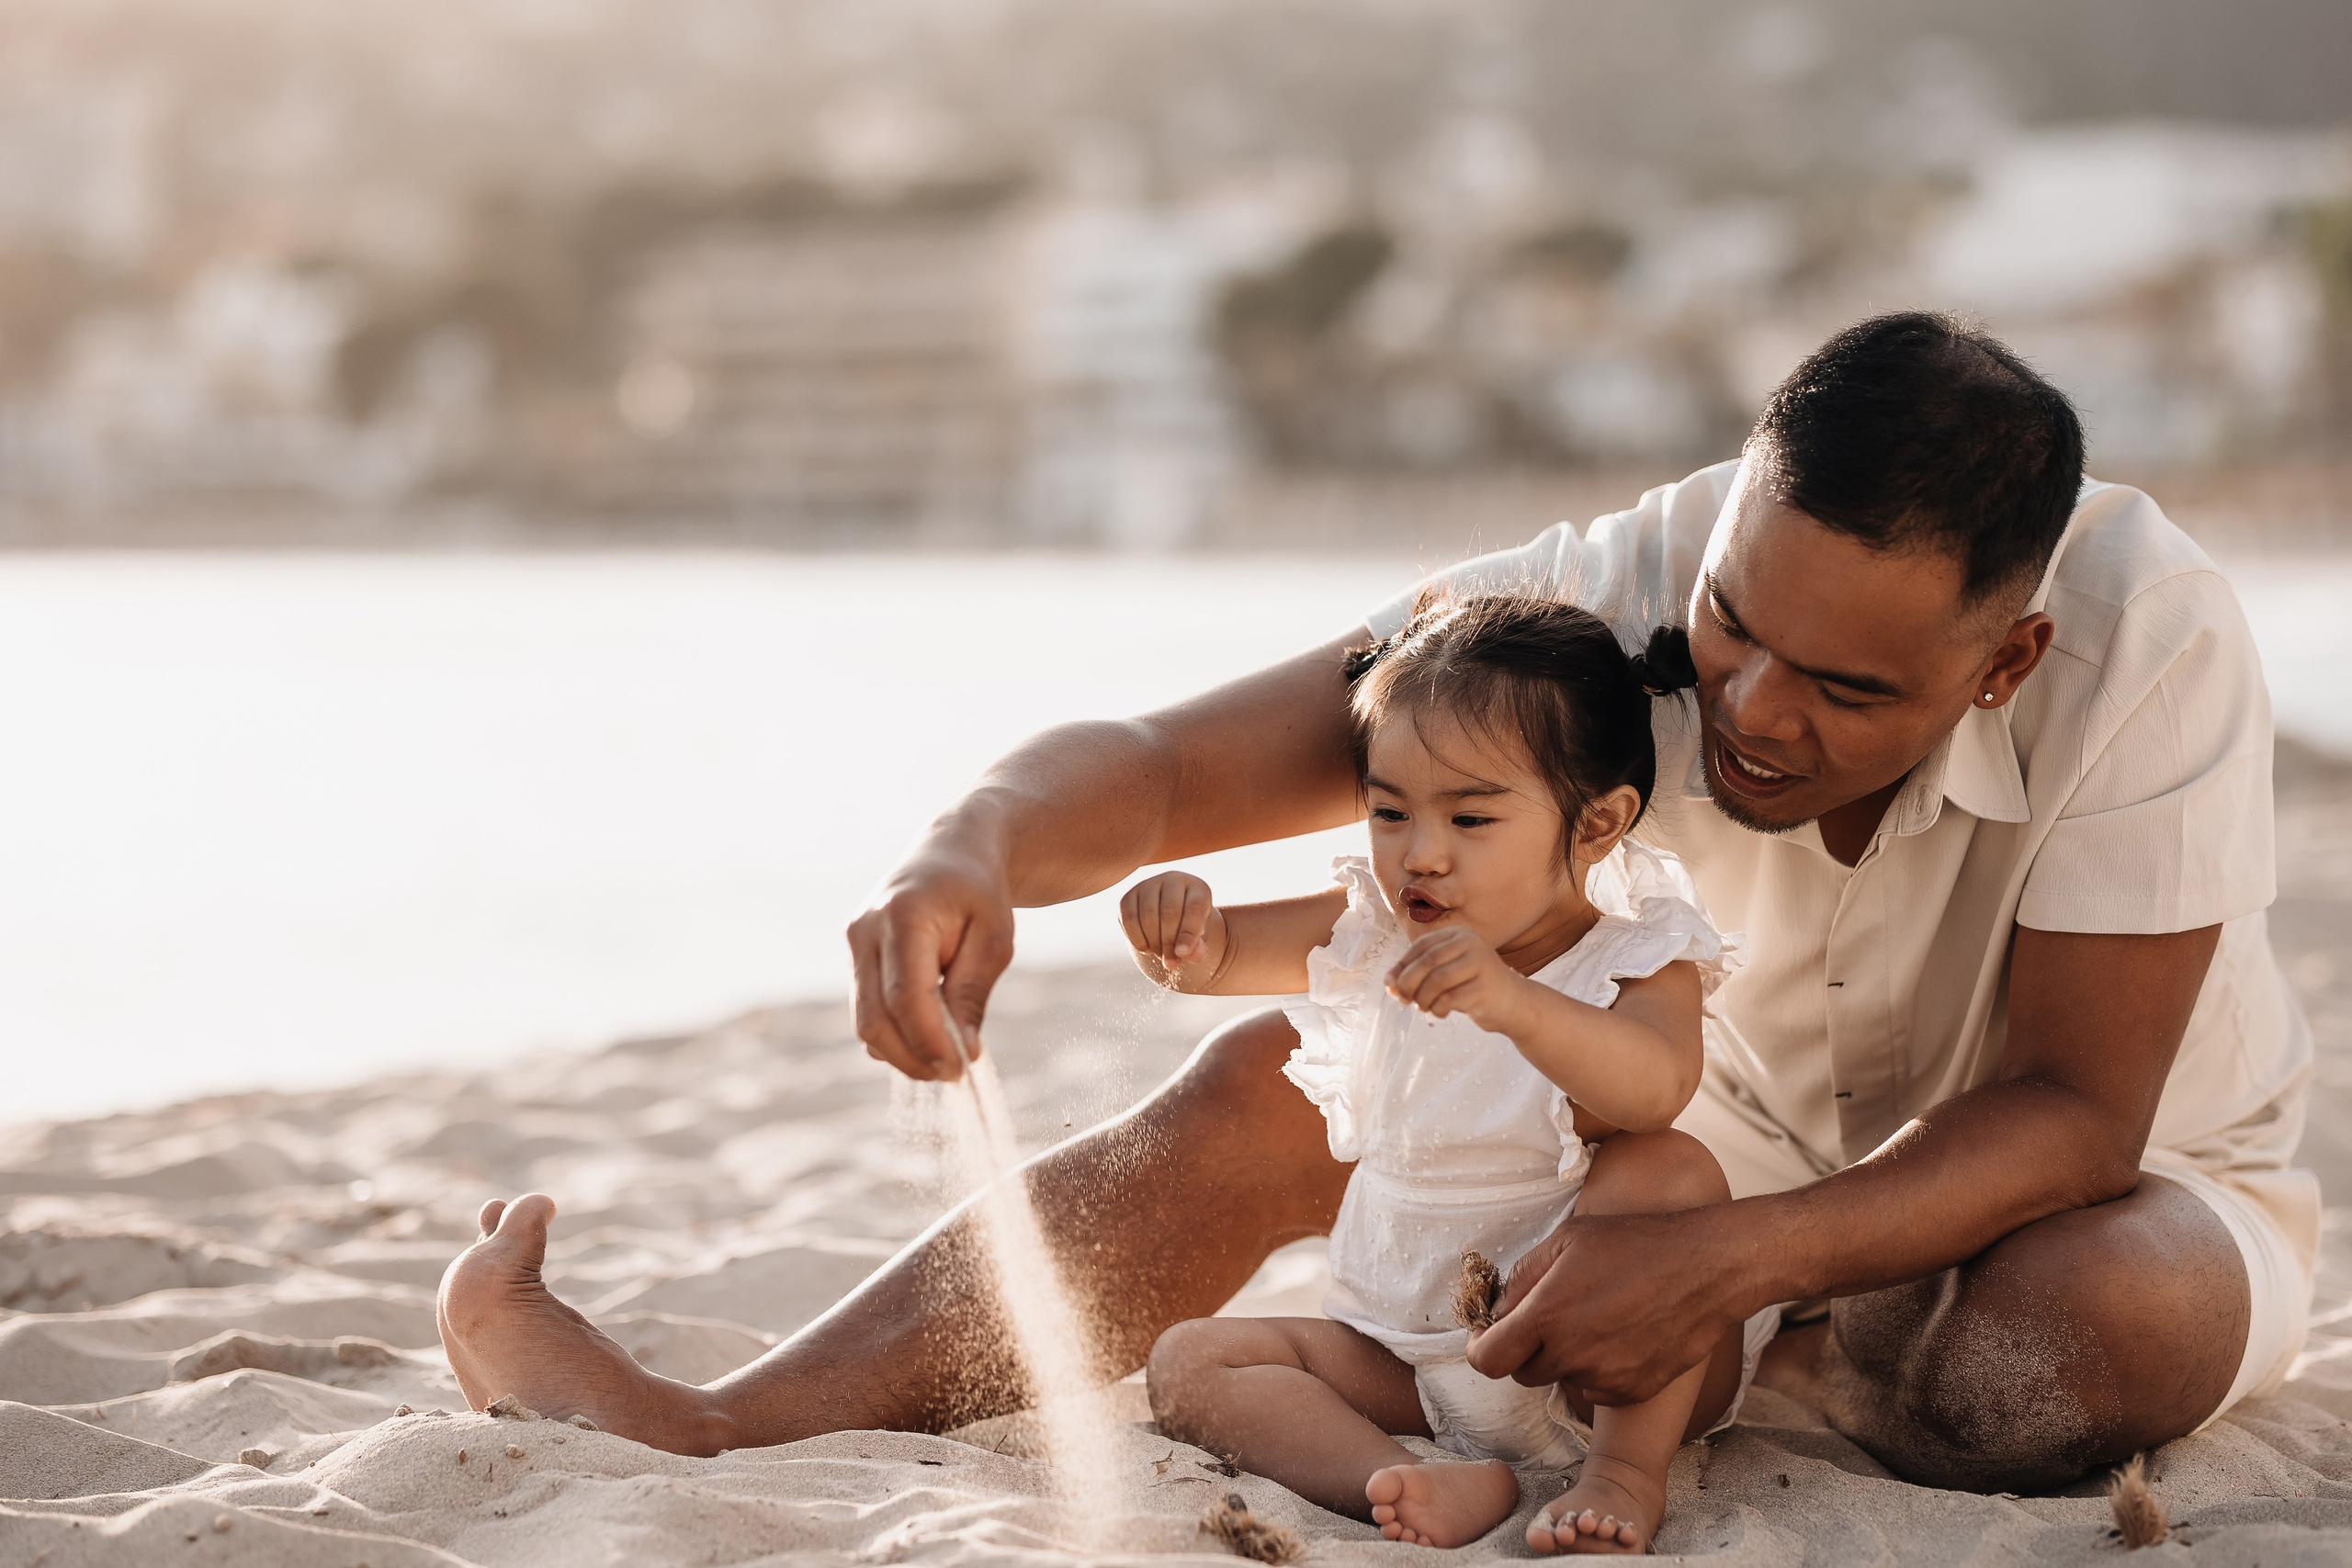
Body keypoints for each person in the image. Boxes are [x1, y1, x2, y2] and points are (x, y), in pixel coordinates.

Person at [435, 311, 2315, 1496]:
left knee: (2069, 1339)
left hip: (2115, 1175)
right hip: (1682, 1109)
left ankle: (1779, 1352)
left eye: (1844, 692)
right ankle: (713, 1421)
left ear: (2002, 663)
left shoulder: (2145, 635)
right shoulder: (1621, 583)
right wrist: (972, 843)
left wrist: (1749, 1263)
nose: (1745, 710)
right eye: (1737, 625)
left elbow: (2077, 1109)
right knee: (1293, 1060)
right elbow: (1186, 770)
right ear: (1727, 529)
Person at [1132, 594, 1768, 1554]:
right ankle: (1406, 1479)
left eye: (1469, 817)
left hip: (1594, 1358)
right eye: (1389, 811)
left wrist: (1514, 1004)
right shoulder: (1376, 933)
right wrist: (1179, 923)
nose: (1419, 853)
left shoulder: (1633, 957)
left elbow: (1654, 1088)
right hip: (1404, 1358)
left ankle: (1624, 1476)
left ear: (1595, 826)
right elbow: (1216, 958)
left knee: (1671, 1170)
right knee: (1191, 1361)